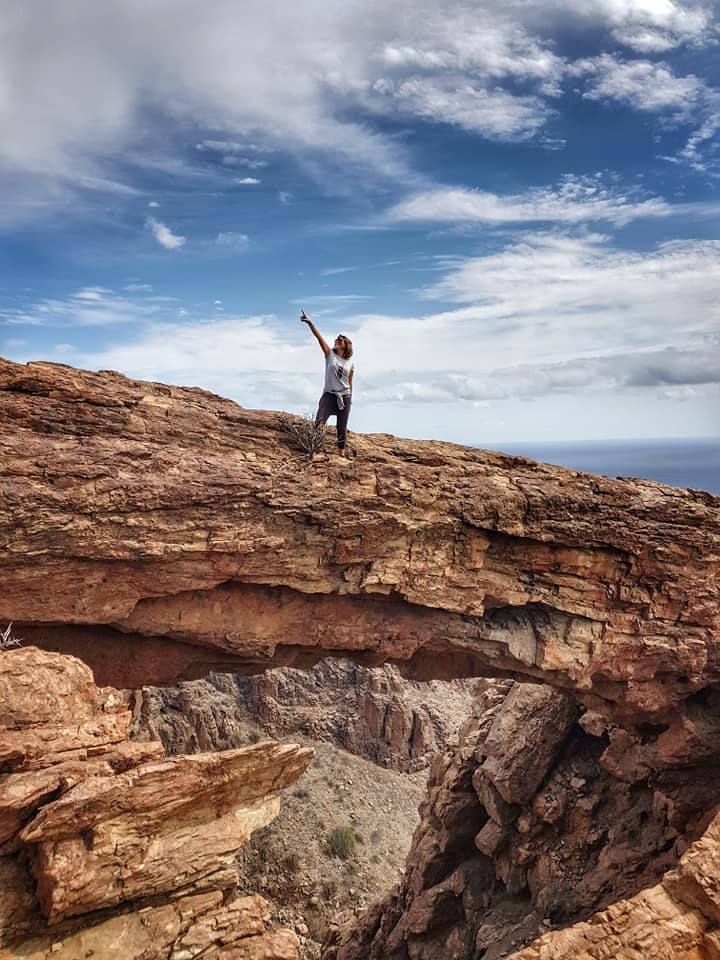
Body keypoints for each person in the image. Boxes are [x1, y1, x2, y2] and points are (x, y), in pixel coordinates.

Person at [300, 310, 354, 456]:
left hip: (345, 397)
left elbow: (350, 382)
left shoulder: (350, 363)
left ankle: (341, 453)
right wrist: (310, 323)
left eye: (340, 340)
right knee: (319, 423)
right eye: (337, 339)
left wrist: (350, 398)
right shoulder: (330, 355)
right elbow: (319, 338)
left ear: (346, 346)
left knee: (341, 427)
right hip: (329, 395)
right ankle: (314, 450)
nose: (337, 340)